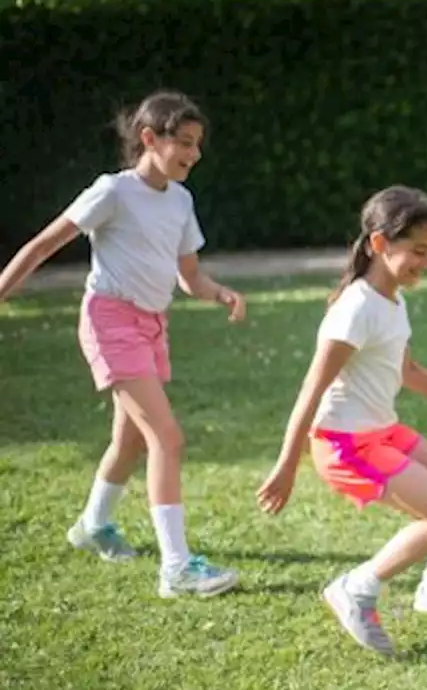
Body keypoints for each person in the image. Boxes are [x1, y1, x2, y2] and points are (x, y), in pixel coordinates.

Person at [0, 90, 245, 598]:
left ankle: (93, 525)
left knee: (132, 439)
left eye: (199, 144)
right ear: (148, 138)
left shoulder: (180, 201)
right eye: (185, 142)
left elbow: (189, 277)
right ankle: (176, 568)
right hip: (110, 320)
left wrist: (219, 293)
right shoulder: (112, 191)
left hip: (153, 325)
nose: (194, 154)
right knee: (167, 437)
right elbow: (45, 243)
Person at [257, 185, 427, 657]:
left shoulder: (391, 299)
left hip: (382, 431)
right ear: (380, 244)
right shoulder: (355, 308)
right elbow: (312, 389)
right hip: (344, 443)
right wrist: (288, 463)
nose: (425, 263)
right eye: (417, 251)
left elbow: (405, 370)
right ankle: (357, 588)